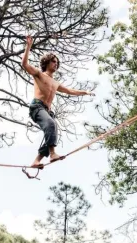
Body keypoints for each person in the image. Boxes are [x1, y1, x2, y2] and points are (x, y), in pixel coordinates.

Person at [21, 35, 95, 169]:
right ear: (47, 63)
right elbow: (24, 65)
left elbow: (70, 91)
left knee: (52, 128)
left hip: (47, 110)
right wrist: (28, 47)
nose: (56, 64)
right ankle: (53, 153)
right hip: (37, 107)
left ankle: (36, 161)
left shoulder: (55, 83)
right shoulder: (39, 74)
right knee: (50, 124)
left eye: (57, 62)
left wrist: (85, 92)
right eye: (53, 61)